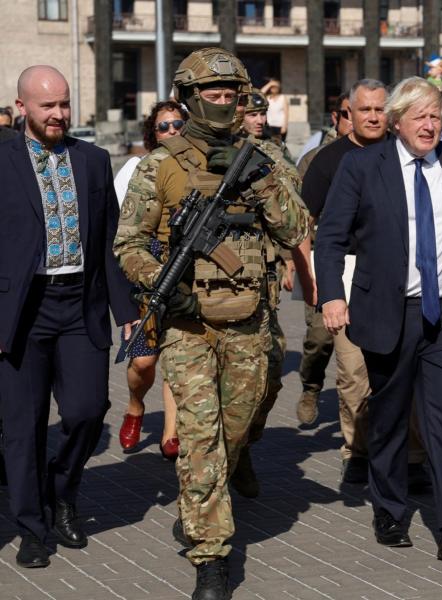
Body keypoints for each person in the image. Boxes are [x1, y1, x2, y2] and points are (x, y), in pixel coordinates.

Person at [114, 48, 309, 599]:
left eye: (231, 96)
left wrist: (264, 179)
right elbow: (128, 244)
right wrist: (164, 286)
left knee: (233, 430)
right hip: (189, 325)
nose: (223, 105)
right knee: (200, 440)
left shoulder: (262, 158)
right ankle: (211, 553)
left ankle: (219, 486)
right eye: (213, 96)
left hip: (249, 320)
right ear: (190, 98)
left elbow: (296, 230)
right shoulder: (162, 165)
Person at [314, 76, 442, 560]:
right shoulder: (361, 165)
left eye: (437, 115)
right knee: (391, 418)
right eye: (420, 116)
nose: (430, 125)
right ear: (396, 122)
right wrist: (332, 296)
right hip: (387, 314)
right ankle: (390, 510)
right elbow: (330, 238)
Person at [0, 65, 138, 569]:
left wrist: (126, 311)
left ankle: (62, 490)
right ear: (21, 108)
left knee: (86, 409)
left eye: (64, 104)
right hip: (20, 310)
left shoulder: (94, 161)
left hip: (80, 304)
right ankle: (32, 527)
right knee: (24, 427)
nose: (58, 114)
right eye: (47, 106)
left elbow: (109, 242)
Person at [301, 79, 430, 486]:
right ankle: (357, 450)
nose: (372, 117)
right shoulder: (329, 161)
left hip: (402, 272)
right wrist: (315, 279)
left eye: (379, 109)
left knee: (405, 367)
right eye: (364, 110)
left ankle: (412, 456)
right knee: (354, 371)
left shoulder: (408, 154)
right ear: (348, 115)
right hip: (349, 271)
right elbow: (305, 225)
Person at [233, 89, 315, 499]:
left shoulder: (274, 152)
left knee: (271, 369)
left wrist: (291, 261)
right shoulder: (225, 151)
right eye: (251, 115)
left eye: (261, 115)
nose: (258, 121)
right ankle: (227, 456)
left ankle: (244, 442)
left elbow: (292, 211)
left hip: (265, 275)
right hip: (226, 278)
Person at [114, 100, 188, 460]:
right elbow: (123, 237)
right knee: (144, 362)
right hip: (146, 271)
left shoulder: (196, 166)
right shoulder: (136, 168)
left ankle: (170, 435)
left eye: (178, 124)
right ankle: (134, 406)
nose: (172, 131)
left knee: (177, 356)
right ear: (152, 133)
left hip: (186, 268)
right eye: (164, 126)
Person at [298, 93, 351, 173]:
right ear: (335, 118)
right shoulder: (314, 158)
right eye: (348, 114)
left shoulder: (375, 155)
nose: (356, 120)